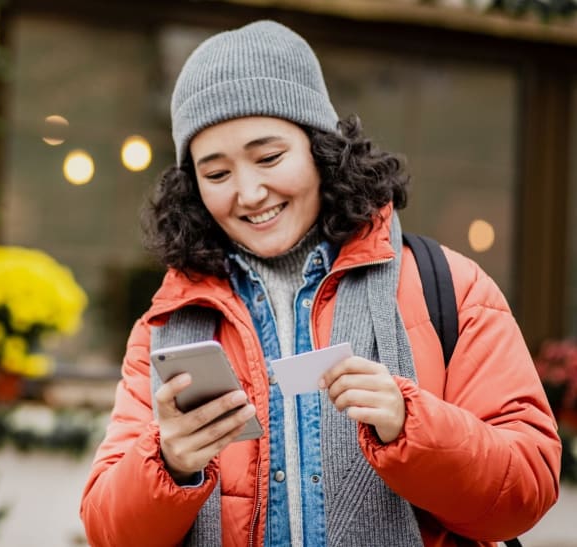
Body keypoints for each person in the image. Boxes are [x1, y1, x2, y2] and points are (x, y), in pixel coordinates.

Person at [79, 20, 561, 547]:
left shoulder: (448, 285)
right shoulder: (167, 323)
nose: (249, 192)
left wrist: (412, 425)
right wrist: (168, 462)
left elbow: (527, 491)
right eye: (216, 175)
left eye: (268, 158)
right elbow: (108, 531)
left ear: (321, 151)